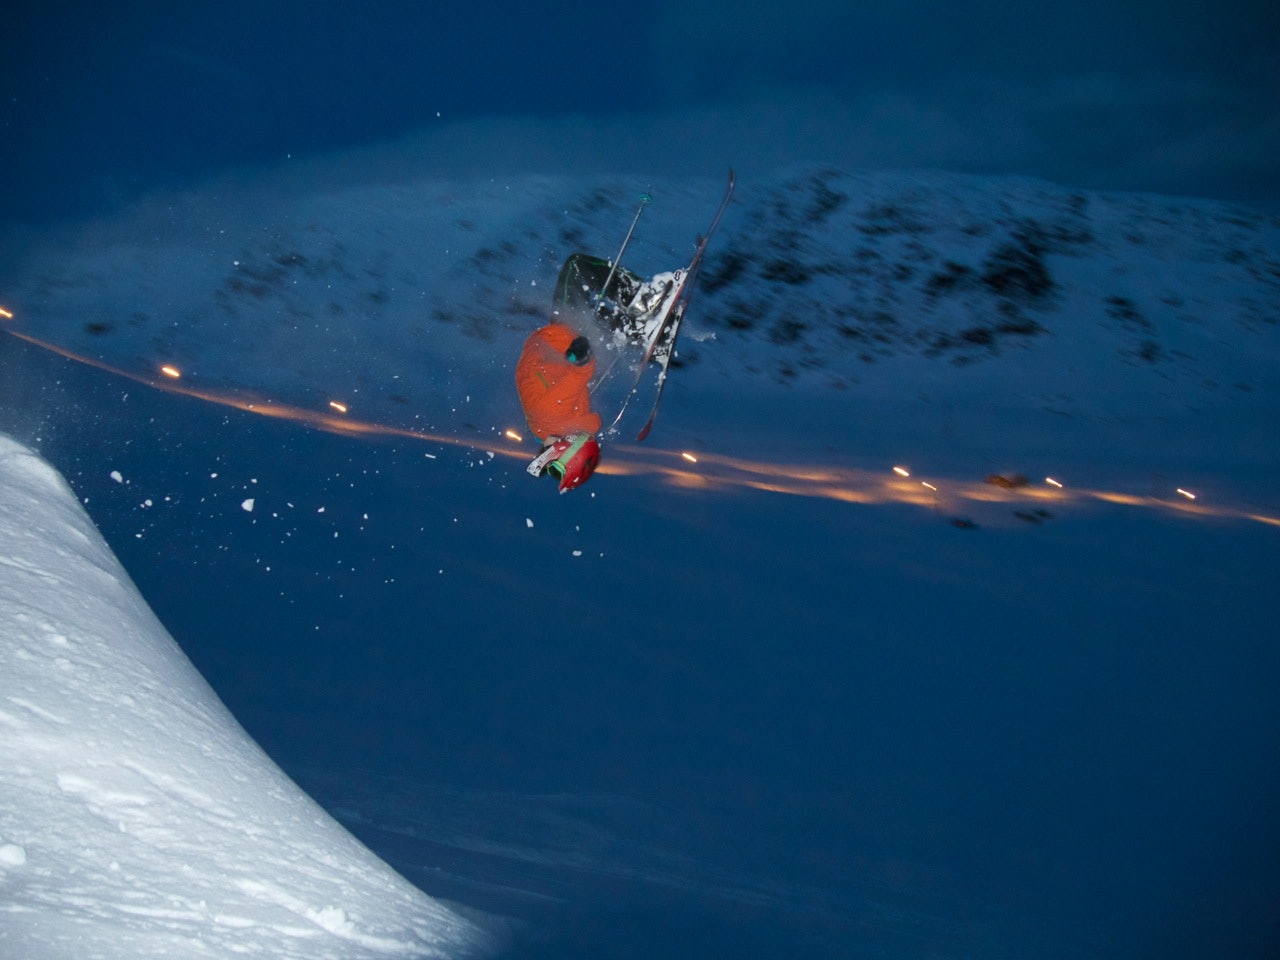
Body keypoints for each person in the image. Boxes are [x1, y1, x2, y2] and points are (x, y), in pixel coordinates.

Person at [514, 321, 602, 493]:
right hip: (546, 352)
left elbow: (580, 373)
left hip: (555, 341)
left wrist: (582, 359)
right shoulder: (545, 428)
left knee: (603, 333)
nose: (553, 456)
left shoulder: (553, 417)